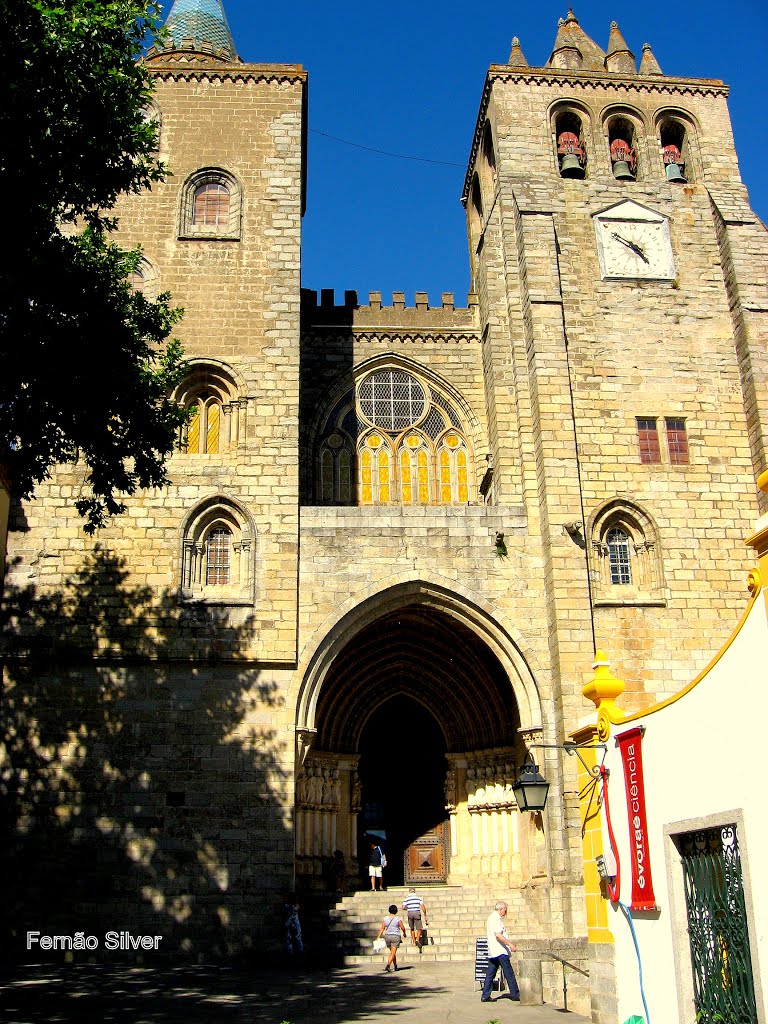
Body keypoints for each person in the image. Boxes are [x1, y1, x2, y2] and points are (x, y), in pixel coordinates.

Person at [481, 900, 520, 1003]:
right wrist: (510, 944)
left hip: (493, 951)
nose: (505, 913)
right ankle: (515, 994)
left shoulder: (491, 918)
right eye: (505, 910)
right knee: (509, 973)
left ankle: (485, 995)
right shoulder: (495, 919)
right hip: (500, 950)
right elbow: (498, 935)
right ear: (501, 909)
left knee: (490, 973)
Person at [377, 903, 406, 972]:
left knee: (392, 952)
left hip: (387, 936)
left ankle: (395, 965)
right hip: (396, 936)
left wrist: (378, 936)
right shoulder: (397, 919)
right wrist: (404, 933)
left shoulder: (385, 918)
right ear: (396, 911)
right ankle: (388, 965)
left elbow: (382, 928)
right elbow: (402, 927)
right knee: (393, 952)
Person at [284, 892, 304, 956]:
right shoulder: (290, 906)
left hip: (290, 922)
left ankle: (297, 951)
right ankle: (299, 951)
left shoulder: (289, 906)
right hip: (292, 922)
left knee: (292, 937)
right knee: (294, 937)